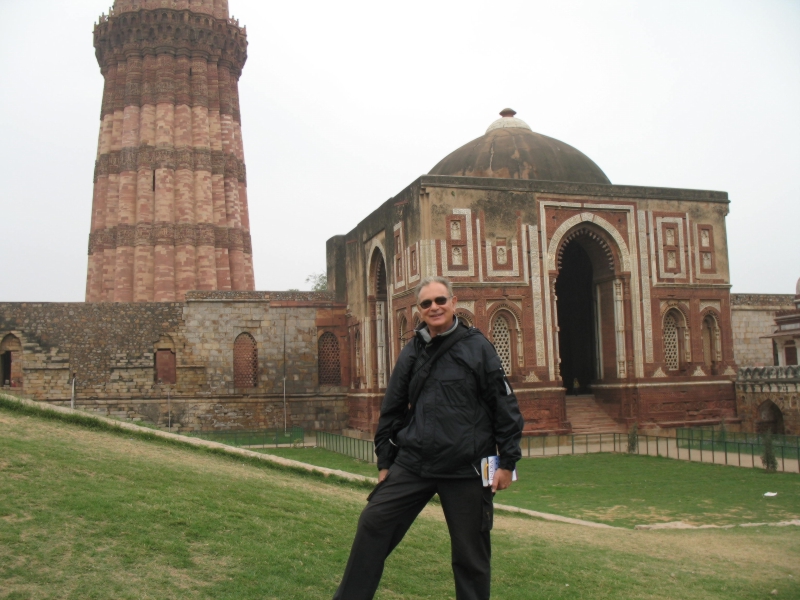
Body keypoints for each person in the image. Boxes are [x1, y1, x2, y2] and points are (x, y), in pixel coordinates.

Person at [333, 276, 524, 600]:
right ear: (419, 311)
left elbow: (504, 406)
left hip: (467, 467)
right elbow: (391, 408)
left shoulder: (478, 347)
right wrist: (385, 461)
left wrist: (507, 463)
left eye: (440, 301)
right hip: (415, 463)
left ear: (453, 302)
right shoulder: (413, 351)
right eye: (426, 303)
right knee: (373, 523)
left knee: (470, 556)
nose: (434, 307)